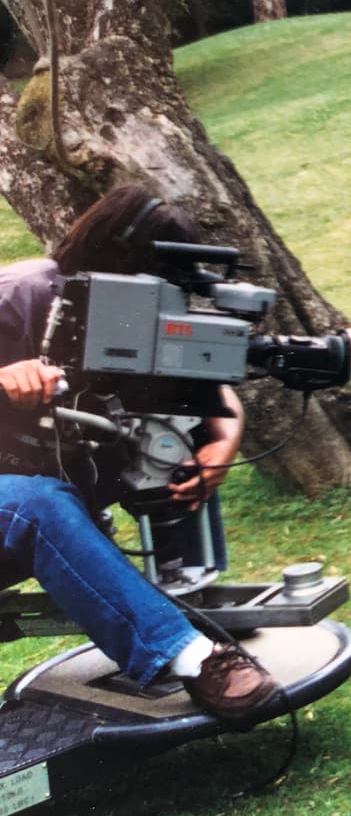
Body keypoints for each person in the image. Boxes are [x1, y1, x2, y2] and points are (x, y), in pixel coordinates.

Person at [0, 186, 278, 719]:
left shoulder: (128, 320)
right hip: (21, 509)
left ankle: (188, 597)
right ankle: (195, 659)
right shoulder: (21, 293)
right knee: (34, 504)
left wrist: (224, 441)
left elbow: (201, 396)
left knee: (166, 438)